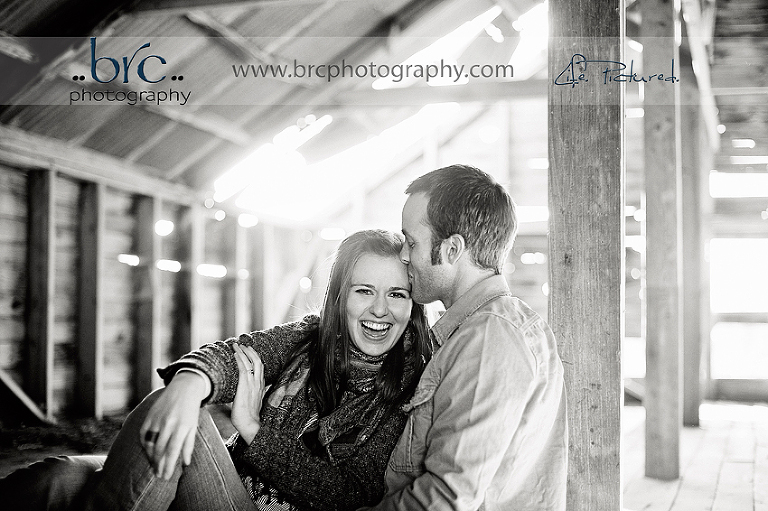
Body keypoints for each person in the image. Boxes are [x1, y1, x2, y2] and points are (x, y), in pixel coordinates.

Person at [0, 229, 433, 511]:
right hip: (226, 475)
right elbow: (234, 354)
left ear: (413, 304)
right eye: (364, 291)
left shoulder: (413, 386)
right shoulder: (310, 339)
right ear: (339, 297)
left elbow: (348, 494)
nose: (380, 310)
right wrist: (190, 383)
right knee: (56, 476)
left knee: (189, 430)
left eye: (396, 294)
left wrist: (253, 430)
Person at [362, 164, 568, 510]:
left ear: (452, 249)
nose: (403, 255)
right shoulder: (484, 329)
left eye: (411, 242)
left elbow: (446, 498)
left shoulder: (490, 339)